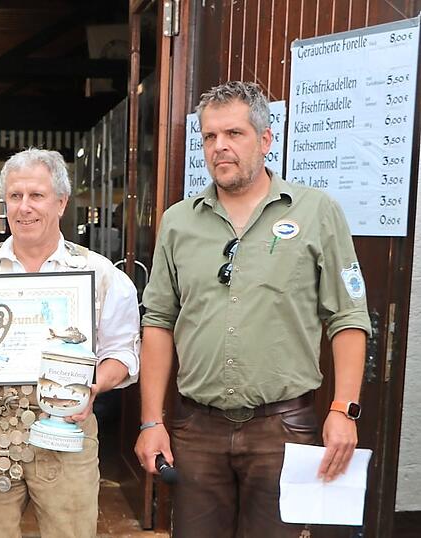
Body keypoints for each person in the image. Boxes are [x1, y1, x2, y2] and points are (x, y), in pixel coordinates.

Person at [135, 81, 370, 537]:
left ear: (264, 140)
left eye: (234, 134)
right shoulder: (178, 221)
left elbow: (347, 317)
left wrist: (343, 409)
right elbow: (158, 322)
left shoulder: (315, 211)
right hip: (196, 429)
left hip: (283, 428)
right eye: (209, 137)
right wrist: (150, 421)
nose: (220, 146)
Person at [0, 148, 140, 537]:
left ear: (62, 202)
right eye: (15, 196)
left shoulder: (99, 274)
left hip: (69, 432)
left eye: (37, 195)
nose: (24, 207)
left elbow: (123, 353)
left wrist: (92, 387)